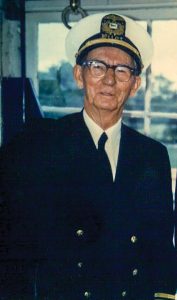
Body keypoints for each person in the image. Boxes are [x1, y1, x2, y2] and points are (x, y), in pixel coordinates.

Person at [0, 12, 176, 300]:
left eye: (121, 70)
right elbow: (12, 247)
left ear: (134, 84)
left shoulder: (152, 156)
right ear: (78, 75)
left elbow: (159, 248)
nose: (109, 79)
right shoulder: (36, 148)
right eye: (97, 66)